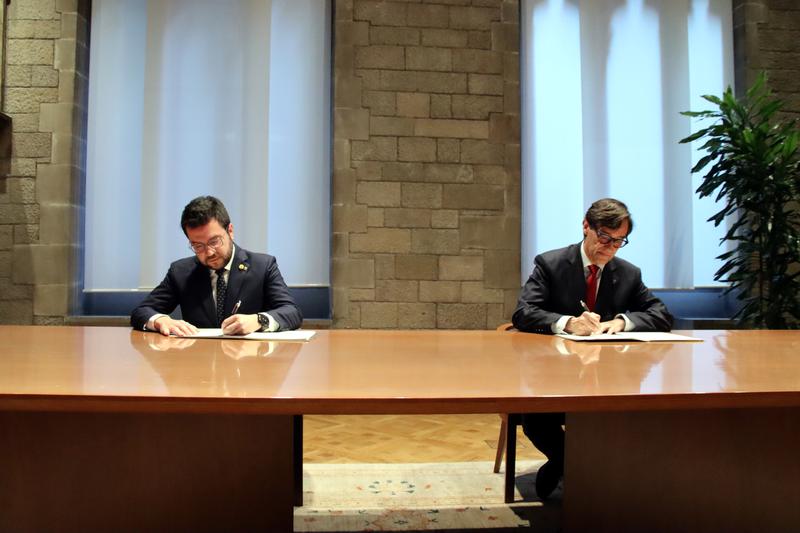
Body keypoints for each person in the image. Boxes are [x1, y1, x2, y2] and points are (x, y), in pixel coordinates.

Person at [511, 197, 672, 499]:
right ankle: (568, 465)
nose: (609, 248)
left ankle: (586, 472)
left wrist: (623, 322)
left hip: (610, 377)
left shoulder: (628, 273)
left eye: (619, 241)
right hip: (554, 375)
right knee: (536, 418)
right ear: (586, 226)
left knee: (637, 416)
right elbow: (523, 312)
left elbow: (661, 313)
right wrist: (568, 323)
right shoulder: (551, 264)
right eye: (604, 238)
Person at [130, 195, 302, 336]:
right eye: (198, 246)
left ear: (230, 231)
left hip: (250, 366)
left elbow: (291, 312)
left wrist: (258, 320)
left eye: (214, 241)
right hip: (198, 365)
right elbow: (142, 311)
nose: (209, 252)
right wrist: (161, 321)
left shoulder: (263, 266)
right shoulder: (181, 272)